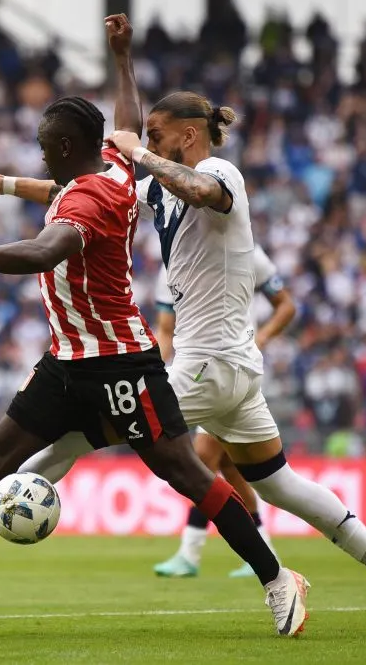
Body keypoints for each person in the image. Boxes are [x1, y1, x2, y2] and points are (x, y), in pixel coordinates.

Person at [0, 15, 310, 638]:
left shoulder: (84, 199)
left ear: (64, 149)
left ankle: (279, 578)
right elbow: (123, 127)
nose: (40, 152)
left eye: (44, 145)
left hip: (120, 362)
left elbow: (43, 253)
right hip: (67, 361)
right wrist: (122, 62)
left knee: (187, 474)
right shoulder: (116, 172)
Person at [0, 89, 366, 630]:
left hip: (207, 363)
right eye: (146, 135)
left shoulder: (222, 171)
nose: (145, 143)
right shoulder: (158, 184)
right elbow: (82, 191)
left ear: (190, 134)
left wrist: (139, 151)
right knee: (278, 483)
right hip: (231, 369)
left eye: (156, 135)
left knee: (80, 427)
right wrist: (3, 184)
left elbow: (202, 189)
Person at [152, 246, 295, 578]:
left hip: (232, 372)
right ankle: (264, 549)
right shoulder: (168, 266)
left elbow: (286, 305)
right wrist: (154, 372)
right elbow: (166, 331)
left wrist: (261, 338)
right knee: (230, 467)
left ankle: (190, 551)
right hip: (192, 375)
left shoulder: (245, 251)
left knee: (203, 458)